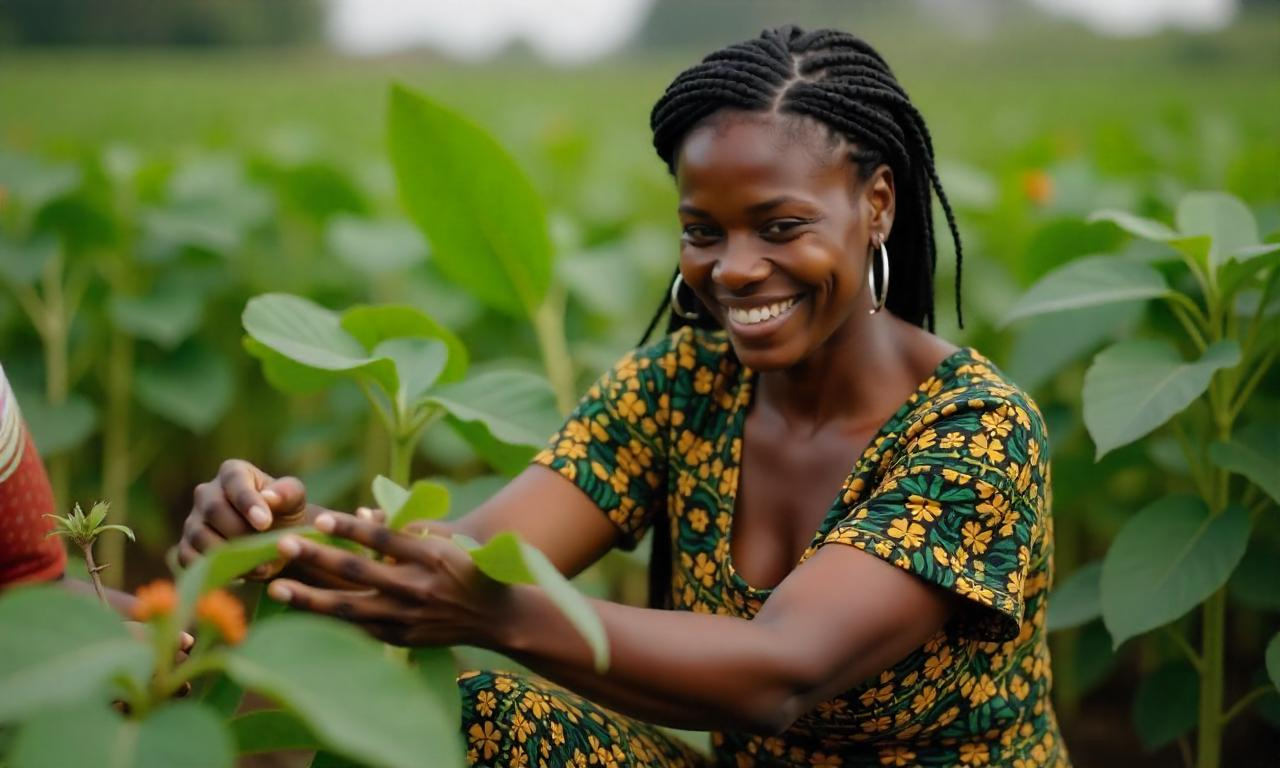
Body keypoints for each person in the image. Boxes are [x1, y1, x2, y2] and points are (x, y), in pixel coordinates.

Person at [179, 26, 1069, 767]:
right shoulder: (680, 389)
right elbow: (474, 559)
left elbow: (780, 675)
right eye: (702, 231)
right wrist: (282, 540)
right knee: (476, 717)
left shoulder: (976, 432)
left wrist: (500, 615)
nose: (736, 268)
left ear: (877, 204)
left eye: (781, 226)